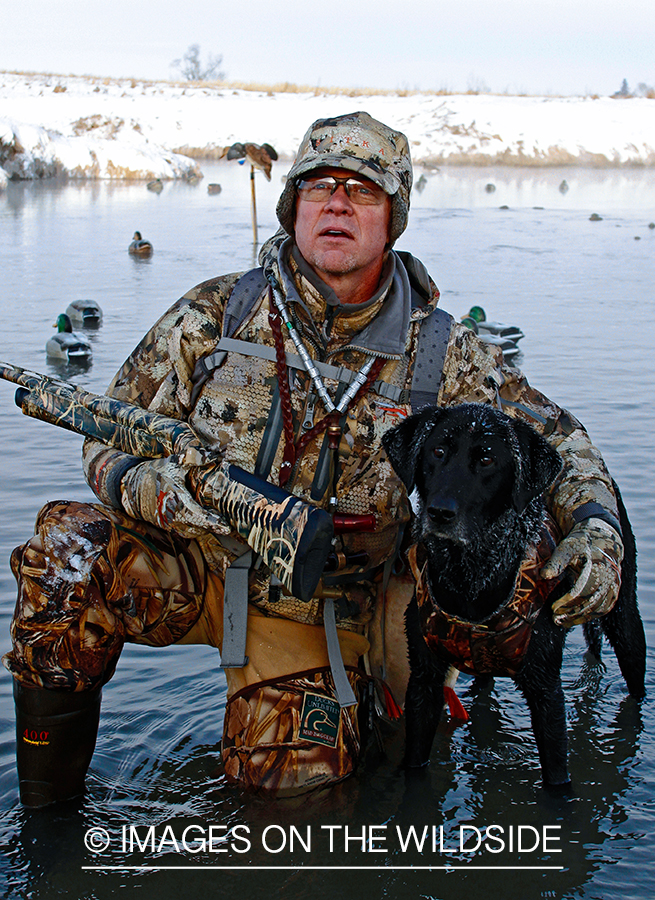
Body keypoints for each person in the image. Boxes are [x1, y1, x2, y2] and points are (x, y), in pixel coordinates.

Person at [4, 111, 624, 806]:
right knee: (66, 553)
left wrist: (596, 534)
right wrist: (157, 491)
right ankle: (48, 831)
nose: (336, 202)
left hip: (323, 604)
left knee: (292, 805)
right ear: (291, 207)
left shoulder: (443, 353)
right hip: (197, 564)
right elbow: (105, 439)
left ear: (393, 218)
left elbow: (563, 444)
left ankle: (374, 717)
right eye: (318, 185)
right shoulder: (216, 313)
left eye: (362, 191)